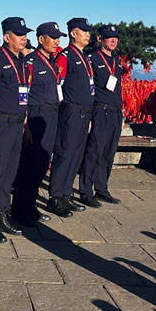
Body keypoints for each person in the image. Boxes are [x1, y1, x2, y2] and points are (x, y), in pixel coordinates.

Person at [0, 17, 34, 240]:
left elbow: (25, 95)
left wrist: (26, 124)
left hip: (17, 122)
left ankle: (3, 212)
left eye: (25, 35)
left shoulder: (23, 60)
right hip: (0, 122)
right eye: (19, 34)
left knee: (9, 172)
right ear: (6, 37)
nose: (23, 38)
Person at [11, 22, 65, 225]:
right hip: (35, 115)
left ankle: (31, 206)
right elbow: (24, 95)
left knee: (42, 165)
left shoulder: (51, 61)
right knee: (28, 166)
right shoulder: (30, 62)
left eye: (58, 37)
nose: (57, 41)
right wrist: (25, 126)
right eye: (53, 37)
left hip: (51, 116)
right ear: (41, 39)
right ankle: (19, 210)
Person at [46, 18, 94, 217]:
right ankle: (56, 196)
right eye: (83, 31)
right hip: (70, 112)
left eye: (88, 31)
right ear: (73, 33)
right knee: (65, 154)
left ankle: (66, 194)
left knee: (75, 155)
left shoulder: (84, 56)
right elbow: (58, 85)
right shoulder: (66, 56)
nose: (87, 34)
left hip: (84, 113)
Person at [78, 24, 125, 207]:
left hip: (114, 112)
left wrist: (122, 114)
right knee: (94, 151)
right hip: (99, 110)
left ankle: (102, 188)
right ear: (100, 39)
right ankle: (86, 191)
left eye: (115, 37)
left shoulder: (116, 60)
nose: (113, 40)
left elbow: (119, 87)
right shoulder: (92, 59)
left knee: (108, 153)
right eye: (109, 37)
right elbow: (88, 89)